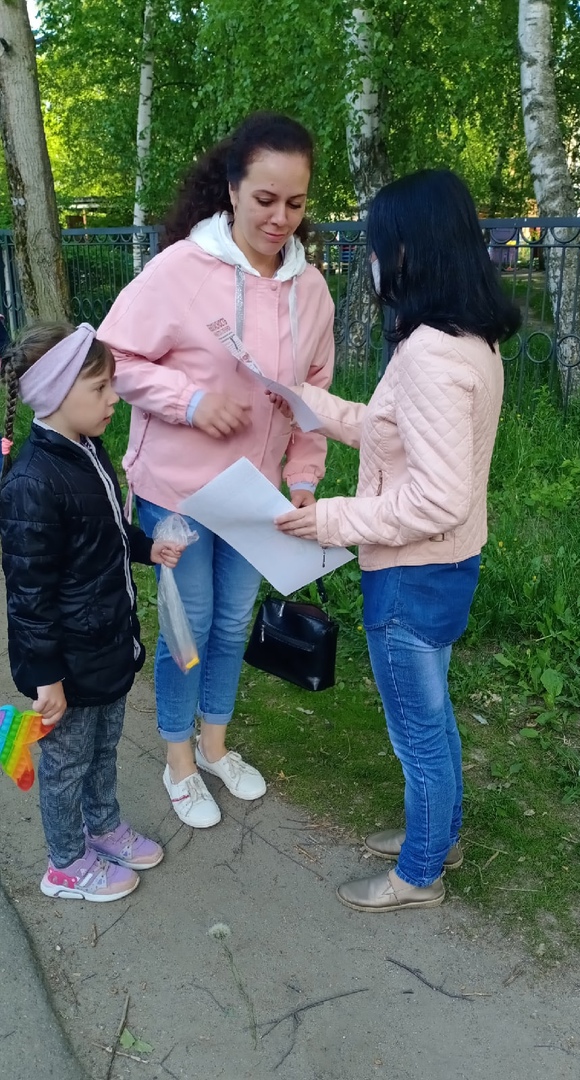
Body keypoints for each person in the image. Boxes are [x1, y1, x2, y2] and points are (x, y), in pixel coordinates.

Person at [275, 169, 521, 912]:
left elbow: (437, 496)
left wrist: (330, 520)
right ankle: (437, 835)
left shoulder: (429, 356)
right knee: (432, 719)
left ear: (412, 250)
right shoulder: (466, 340)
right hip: (444, 565)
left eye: (379, 248)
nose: (373, 264)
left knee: (418, 733)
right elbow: (393, 432)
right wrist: (305, 402)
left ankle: (418, 874)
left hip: (412, 574)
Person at [98, 111, 335, 829]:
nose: (280, 219)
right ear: (232, 190)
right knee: (190, 626)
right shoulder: (179, 270)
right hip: (178, 491)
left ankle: (213, 745)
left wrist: (303, 480)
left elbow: (314, 398)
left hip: (254, 498)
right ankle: (176, 757)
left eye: (294, 203)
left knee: (232, 623)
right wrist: (192, 402)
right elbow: (114, 359)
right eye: (264, 199)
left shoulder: (311, 290)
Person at [0, 322, 185, 902]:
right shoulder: (32, 482)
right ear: (56, 392)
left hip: (105, 644)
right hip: (68, 662)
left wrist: (146, 548)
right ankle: (65, 863)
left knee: (103, 749)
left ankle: (102, 827)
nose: (114, 400)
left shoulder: (87, 451)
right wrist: (46, 676)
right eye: (101, 388)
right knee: (64, 764)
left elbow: (108, 530)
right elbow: (28, 596)